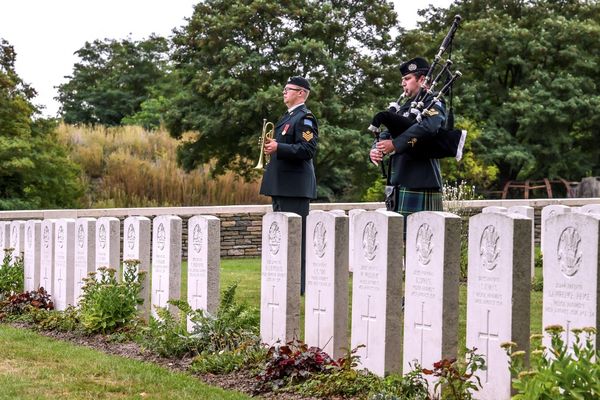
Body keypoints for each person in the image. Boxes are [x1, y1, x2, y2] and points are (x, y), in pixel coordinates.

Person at [260, 76, 318, 295]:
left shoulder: (305, 118)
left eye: (288, 89)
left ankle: (299, 286)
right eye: (284, 89)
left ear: (301, 93)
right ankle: (285, 281)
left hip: (295, 187)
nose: (284, 92)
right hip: (281, 185)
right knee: (282, 239)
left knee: (296, 240)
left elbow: (307, 150)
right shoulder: (288, 117)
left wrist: (279, 148)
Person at [369, 57, 445, 219]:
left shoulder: (434, 101)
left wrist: (395, 145)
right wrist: (376, 148)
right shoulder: (404, 107)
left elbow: (429, 127)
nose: (403, 83)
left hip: (421, 182)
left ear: (422, 80)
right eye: (403, 79)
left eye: (407, 78)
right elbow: (385, 133)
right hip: (398, 181)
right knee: (398, 241)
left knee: (423, 242)